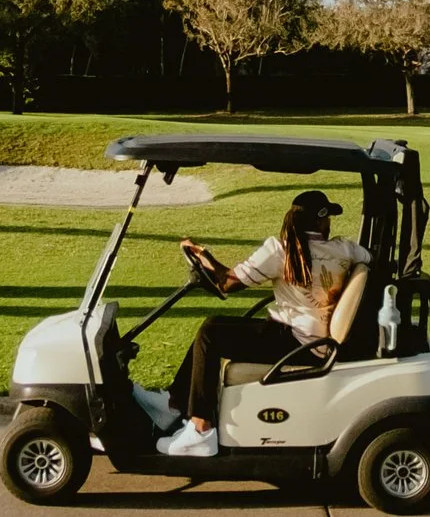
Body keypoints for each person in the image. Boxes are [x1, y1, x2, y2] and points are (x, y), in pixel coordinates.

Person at [156, 188, 371, 463]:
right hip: (311, 340)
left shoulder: (280, 251)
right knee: (218, 330)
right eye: (329, 218)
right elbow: (369, 259)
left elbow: (228, 284)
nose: (330, 224)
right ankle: (174, 404)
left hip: (296, 342)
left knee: (211, 331)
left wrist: (207, 258)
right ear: (320, 221)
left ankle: (200, 428)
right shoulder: (346, 250)